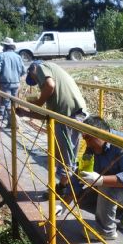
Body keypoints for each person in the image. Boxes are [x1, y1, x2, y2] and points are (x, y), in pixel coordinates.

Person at [59, 116, 123, 240]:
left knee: (106, 187)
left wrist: (101, 180)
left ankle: (106, 232)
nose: (86, 142)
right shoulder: (92, 147)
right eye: (84, 138)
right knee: (82, 197)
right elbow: (80, 174)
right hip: (115, 188)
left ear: (101, 134)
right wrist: (64, 204)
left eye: (88, 137)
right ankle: (122, 215)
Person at [16, 61, 88, 195]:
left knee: (64, 155)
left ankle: (62, 189)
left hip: (68, 116)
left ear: (33, 71)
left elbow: (49, 85)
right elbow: (48, 116)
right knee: (66, 153)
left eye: (35, 79)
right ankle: (64, 186)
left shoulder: (42, 67)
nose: (39, 82)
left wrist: (37, 104)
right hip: (74, 113)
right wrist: (26, 113)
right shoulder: (55, 76)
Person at [0, 37, 25, 127]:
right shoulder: (18, 56)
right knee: (14, 102)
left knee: (7, 102)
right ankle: (11, 121)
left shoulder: (1, 56)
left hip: (5, 82)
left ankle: (13, 123)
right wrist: (17, 75)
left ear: (5, 46)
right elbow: (23, 70)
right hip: (16, 82)